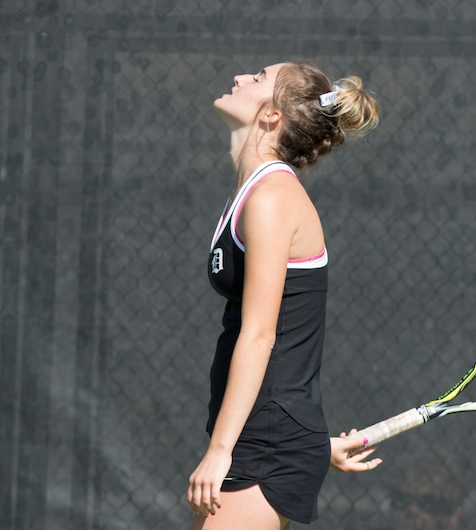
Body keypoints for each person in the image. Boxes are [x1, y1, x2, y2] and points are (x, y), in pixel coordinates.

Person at [186, 60, 382, 530]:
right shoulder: (255, 191)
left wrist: (220, 451)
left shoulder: (272, 197)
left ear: (272, 116)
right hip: (270, 436)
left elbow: (260, 335)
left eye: (256, 78)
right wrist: (312, 442)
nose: (238, 77)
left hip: (265, 444)